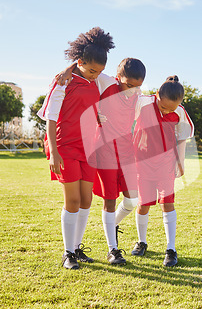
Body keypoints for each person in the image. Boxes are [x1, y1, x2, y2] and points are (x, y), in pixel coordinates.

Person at [37, 27, 114, 269]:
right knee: (72, 201)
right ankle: (67, 253)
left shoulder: (97, 80)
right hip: (64, 147)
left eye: (99, 71)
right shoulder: (63, 81)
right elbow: (51, 117)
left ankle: (77, 249)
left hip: (88, 148)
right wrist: (54, 152)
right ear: (79, 62)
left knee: (86, 199)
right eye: (91, 70)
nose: (95, 75)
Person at [57, 58, 146, 265]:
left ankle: (112, 224)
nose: (132, 90)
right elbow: (86, 66)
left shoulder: (139, 95)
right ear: (118, 78)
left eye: (137, 86)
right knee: (109, 200)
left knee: (133, 199)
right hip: (104, 150)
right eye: (129, 85)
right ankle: (112, 250)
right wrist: (67, 68)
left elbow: (157, 101)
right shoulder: (106, 83)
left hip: (126, 152)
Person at [131, 75, 194, 267]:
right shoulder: (142, 103)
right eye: (163, 106)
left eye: (172, 109)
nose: (167, 111)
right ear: (157, 94)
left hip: (166, 163)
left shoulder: (180, 113)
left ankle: (171, 249)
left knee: (167, 202)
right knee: (144, 204)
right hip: (142, 162)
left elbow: (182, 137)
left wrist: (180, 162)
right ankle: (142, 242)